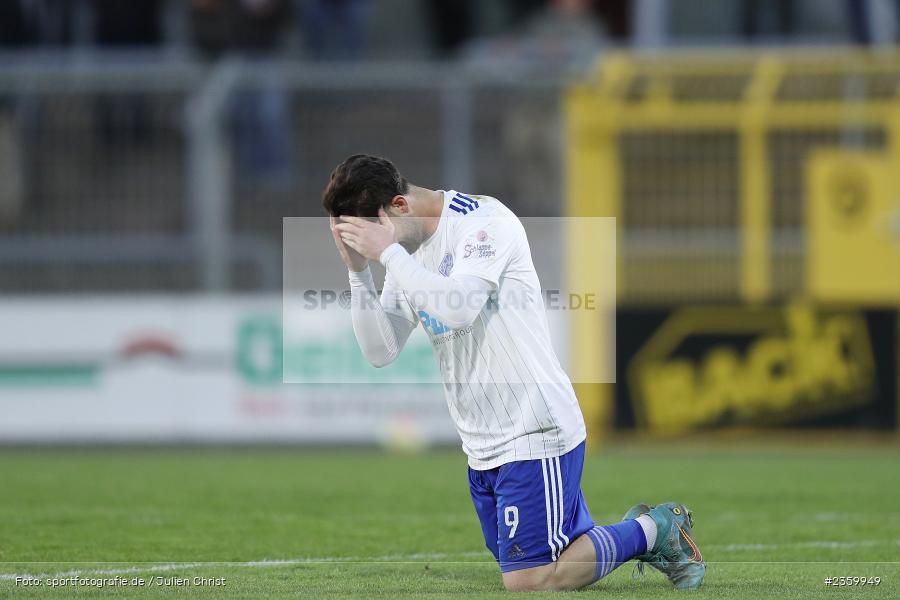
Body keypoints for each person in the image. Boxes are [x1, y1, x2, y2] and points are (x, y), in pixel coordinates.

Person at [322, 154, 706, 591]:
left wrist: (387, 252)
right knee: (543, 560)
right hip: (482, 442)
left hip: (533, 425)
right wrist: (357, 271)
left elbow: (459, 307)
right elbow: (380, 349)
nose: (372, 247)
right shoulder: (405, 253)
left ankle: (654, 529)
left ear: (398, 206)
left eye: (369, 232)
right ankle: (639, 535)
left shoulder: (482, 221)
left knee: (530, 579)